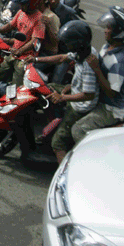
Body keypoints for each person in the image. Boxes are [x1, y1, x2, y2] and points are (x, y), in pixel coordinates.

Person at [27, 21, 99, 162]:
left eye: (69, 43)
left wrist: (62, 97)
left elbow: (88, 95)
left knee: (58, 143)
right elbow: (61, 58)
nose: (66, 45)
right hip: (73, 90)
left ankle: (64, 176)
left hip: (79, 107)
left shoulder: (88, 65)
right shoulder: (82, 53)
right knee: (45, 88)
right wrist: (35, 59)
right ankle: (53, 120)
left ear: (78, 43)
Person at [68, 6, 124, 141]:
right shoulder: (107, 47)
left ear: (118, 33)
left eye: (109, 28)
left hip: (110, 109)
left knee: (78, 129)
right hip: (98, 99)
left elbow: (112, 92)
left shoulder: (118, 62)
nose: (105, 30)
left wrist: (97, 69)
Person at [0, 0, 45, 87]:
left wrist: (19, 51)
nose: (21, 7)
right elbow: (9, 26)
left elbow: (35, 41)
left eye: (23, 4)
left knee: (16, 86)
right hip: (13, 53)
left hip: (25, 59)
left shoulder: (39, 18)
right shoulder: (21, 12)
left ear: (31, 2)